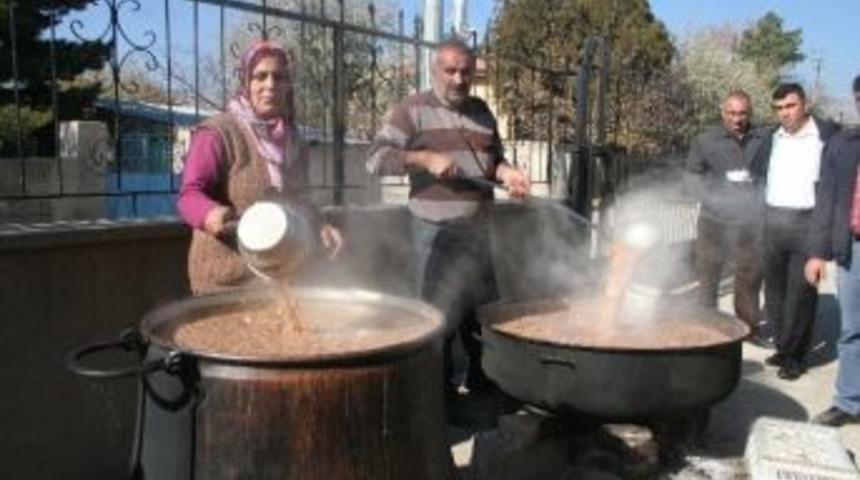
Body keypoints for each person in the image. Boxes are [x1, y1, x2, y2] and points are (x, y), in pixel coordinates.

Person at [366, 38, 529, 398]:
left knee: (485, 318)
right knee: (434, 320)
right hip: (431, 234)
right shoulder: (411, 110)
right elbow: (375, 159)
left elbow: (493, 162)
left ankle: (485, 389)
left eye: (466, 71)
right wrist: (424, 159)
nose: (458, 79)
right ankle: (433, 402)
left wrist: (508, 174)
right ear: (434, 69)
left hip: (479, 233)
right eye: (450, 70)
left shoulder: (483, 111)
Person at [178, 40, 342, 295]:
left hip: (279, 270)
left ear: (288, 85)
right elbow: (190, 195)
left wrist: (320, 224)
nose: (270, 85)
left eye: (279, 77)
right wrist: (209, 213)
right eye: (260, 76)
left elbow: (298, 199)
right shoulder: (218, 133)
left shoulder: (293, 140)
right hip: (224, 280)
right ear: (246, 83)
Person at [751, 83, 840, 380]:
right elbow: (757, 173)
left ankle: (796, 357)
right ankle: (784, 345)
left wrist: (825, 239)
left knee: (801, 294)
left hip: (807, 223)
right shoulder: (771, 137)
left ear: (804, 104)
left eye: (790, 106)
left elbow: (834, 187)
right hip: (772, 222)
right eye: (779, 108)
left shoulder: (825, 137)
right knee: (774, 293)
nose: (784, 113)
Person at [685, 90, 767, 343]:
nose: (737, 118)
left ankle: (747, 328)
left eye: (742, 113)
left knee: (749, 276)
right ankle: (706, 325)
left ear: (749, 113)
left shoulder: (763, 139)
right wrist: (713, 198)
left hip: (750, 222)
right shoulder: (706, 141)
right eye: (732, 113)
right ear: (723, 113)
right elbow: (692, 177)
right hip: (714, 220)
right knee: (708, 274)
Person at [804, 75, 860, 426]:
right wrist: (816, 252)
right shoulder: (843, 144)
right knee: (852, 329)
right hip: (853, 249)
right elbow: (825, 200)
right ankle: (849, 401)